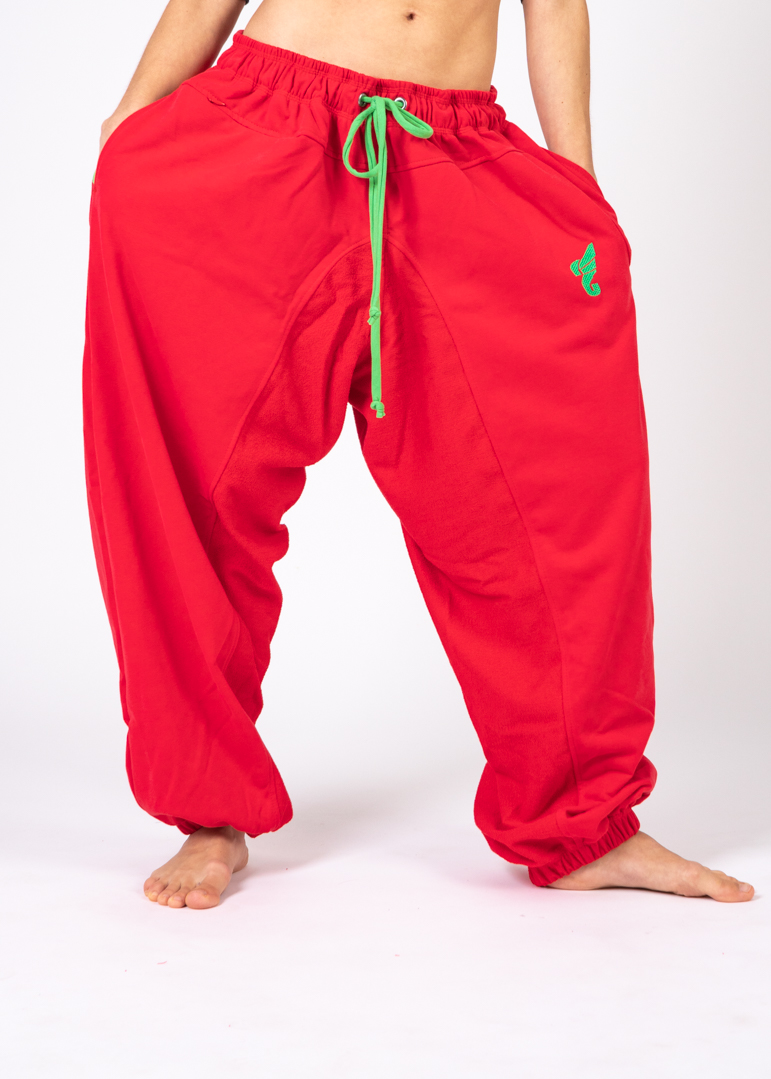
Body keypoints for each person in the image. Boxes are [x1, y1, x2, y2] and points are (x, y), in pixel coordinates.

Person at [85, 0, 753, 909]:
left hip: (455, 151)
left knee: (553, 499)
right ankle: (208, 815)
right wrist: (133, 114)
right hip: (264, 130)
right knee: (194, 493)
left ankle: (581, 820)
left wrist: (577, 190)